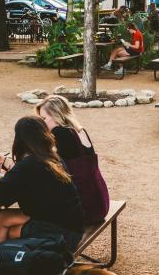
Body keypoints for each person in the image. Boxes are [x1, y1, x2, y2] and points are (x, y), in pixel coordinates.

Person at [0, 116, 85, 275]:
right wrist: (3, 161)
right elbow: (24, 172)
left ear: (20, 139)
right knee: (3, 218)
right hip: (70, 225)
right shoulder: (51, 157)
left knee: (9, 232)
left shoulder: (29, 164)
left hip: (60, 234)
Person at [33, 96, 109, 224]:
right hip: (99, 200)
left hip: (85, 208)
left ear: (57, 115)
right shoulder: (78, 130)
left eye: (44, 118)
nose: (42, 123)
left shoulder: (60, 133)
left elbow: (47, 168)